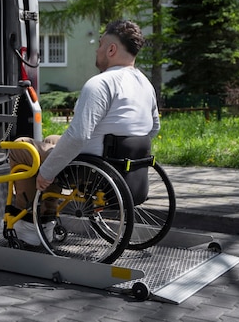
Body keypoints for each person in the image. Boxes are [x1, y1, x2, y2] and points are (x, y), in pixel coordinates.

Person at [9, 19, 160, 246]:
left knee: (21, 148)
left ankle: (31, 226)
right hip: (124, 166)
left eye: (100, 45)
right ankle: (47, 216)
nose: (97, 50)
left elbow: (78, 136)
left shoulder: (101, 84)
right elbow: (154, 128)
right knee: (51, 140)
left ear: (111, 49)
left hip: (91, 168)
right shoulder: (145, 84)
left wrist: (47, 172)